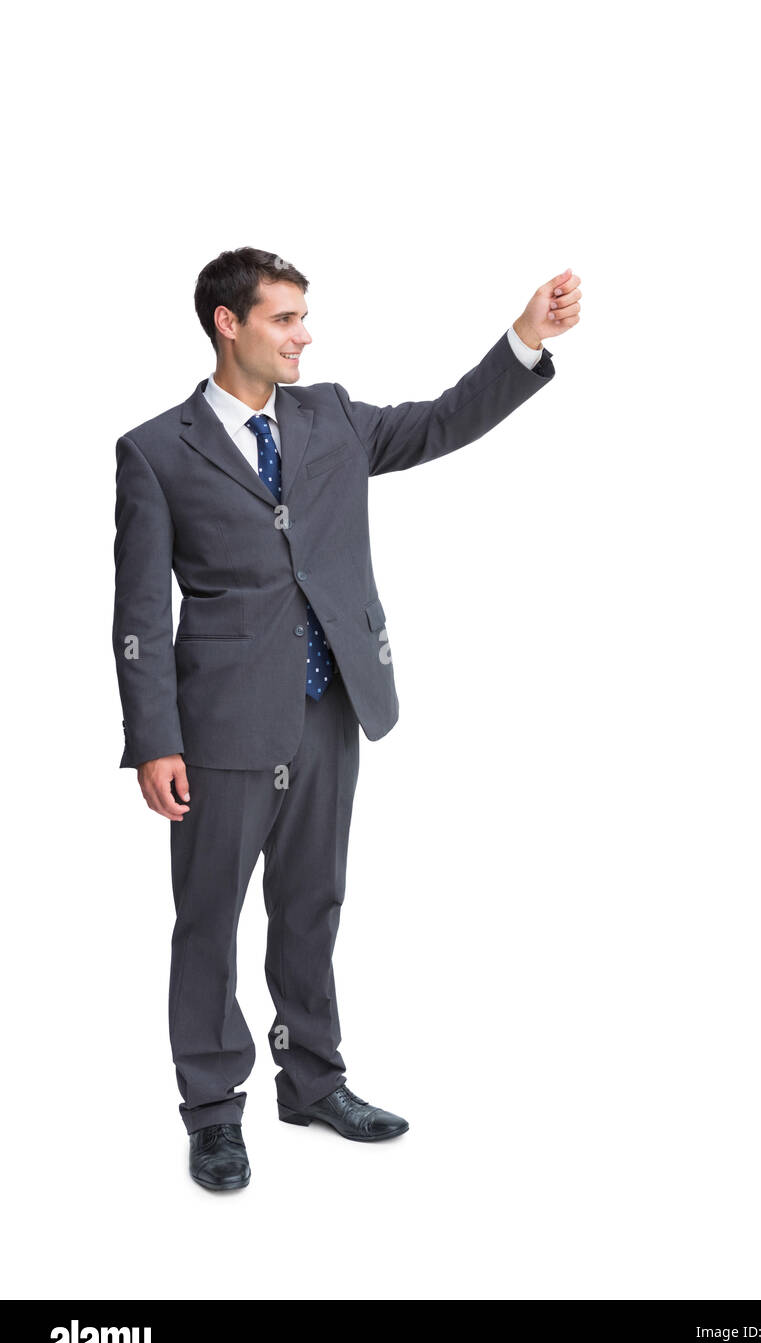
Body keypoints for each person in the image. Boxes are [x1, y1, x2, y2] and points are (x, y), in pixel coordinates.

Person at [112, 246, 580, 1191]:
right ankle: (211, 1112)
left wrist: (525, 339)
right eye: (285, 318)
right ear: (228, 323)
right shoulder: (157, 450)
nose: (305, 335)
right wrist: (154, 737)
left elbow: (443, 420)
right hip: (221, 726)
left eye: (304, 316)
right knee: (208, 920)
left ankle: (313, 1079)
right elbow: (138, 614)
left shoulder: (328, 417)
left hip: (331, 705)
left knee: (314, 903)